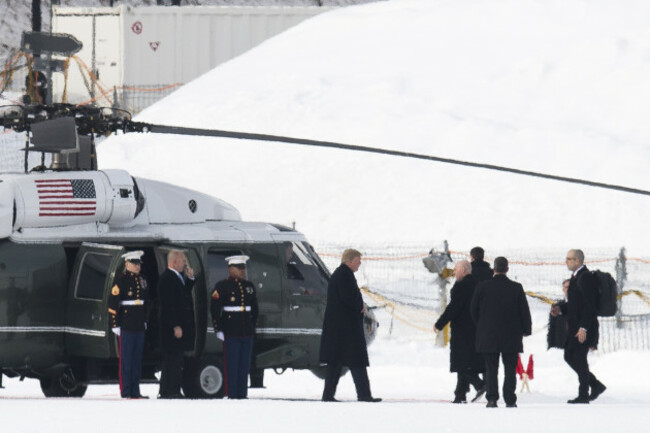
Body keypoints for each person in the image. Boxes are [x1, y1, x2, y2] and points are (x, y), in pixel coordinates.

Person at [319, 249, 381, 402]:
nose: (360, 264)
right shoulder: (343, 276)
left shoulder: (342, 274)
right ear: (350, 260)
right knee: (353, 361)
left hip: (341, 329)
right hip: (345, 329)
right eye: (358, 261)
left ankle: (330, 395)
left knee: (338, 362)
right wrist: (360, 305)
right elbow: (348, 297)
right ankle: (363, 395)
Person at [471, 257, 532, 408]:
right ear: (507, 269)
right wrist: (526, 329)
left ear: (494, 269)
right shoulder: (516, 287)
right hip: (511, 335)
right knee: (510, 368)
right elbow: (524, 311)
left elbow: (473, 310)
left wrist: (482, 325)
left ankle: (492, 398)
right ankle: (510, 399)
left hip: (488, 334)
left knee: (491, 368)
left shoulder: (482, 287)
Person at [552, 249, 606, 404]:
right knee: (569, 356)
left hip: (583, 327)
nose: (566, 261)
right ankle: (595, 385)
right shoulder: (576, 277)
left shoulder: (586, 277)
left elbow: (590, 306)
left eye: (569, 259)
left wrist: (584, 328)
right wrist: (561, 310)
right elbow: (575, 304)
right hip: (575, 326)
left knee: (580, 359)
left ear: (577, 261)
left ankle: (584, 394)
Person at [434, 260, 485, 403]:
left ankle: (479, 384)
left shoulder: (462, 285)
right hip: (476, 328)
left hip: (462, 329)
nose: (454, 272)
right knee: (466, 361)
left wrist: (440, 324)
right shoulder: (478, 284)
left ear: (463, 270)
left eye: (456, 269)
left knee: (460, 362)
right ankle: (460, 394)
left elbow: (454, 308)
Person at [211, 255, 259, 399]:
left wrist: (252, 325)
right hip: (231, 330)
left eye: (244, 267)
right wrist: (218, 329)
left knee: (244, 366)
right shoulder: (222, 286)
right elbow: (214, 309)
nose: (243, 271)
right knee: (232, 365)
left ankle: (242, 394)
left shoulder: (249, 286)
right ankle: (231, 394)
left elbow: (254, 309)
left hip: (246, 331)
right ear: (231, 269)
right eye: (240, 268)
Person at [108, 250, 149, 399]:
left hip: (138, 324)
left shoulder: (143, 280)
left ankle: (135, 391)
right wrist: (115, 324)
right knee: (126, 360)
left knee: (137, 360)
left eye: (138, 263)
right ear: (127, 264)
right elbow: (112, 304)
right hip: (126, 323)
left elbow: (146, 303)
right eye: (134, 263)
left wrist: (145, 321)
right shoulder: (121, 280)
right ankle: (126, 391)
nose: (137, 266)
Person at [157, 249, 196, 399]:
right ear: (174, 262)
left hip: (177, 327)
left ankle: (171, 388)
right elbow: (169, 305)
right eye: (183, 261)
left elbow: (183, 296)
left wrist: (190, 280)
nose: (185, 264)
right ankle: (170, 390)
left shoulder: (178, 277)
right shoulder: (167, 278)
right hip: (171, 329)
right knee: (172, 360)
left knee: (176, 359)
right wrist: (175, 325)